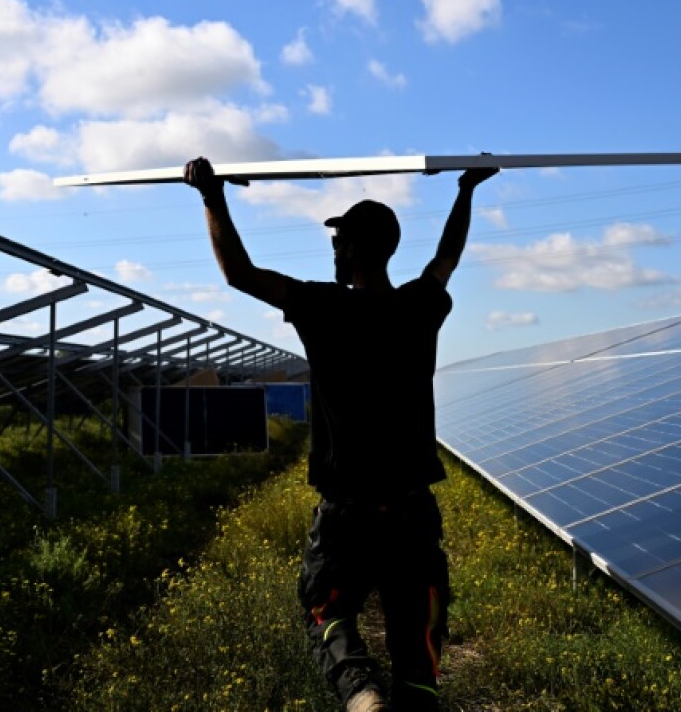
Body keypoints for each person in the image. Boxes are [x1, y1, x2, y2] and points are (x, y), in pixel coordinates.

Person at [184, 156, 497, 712]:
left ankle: (361, 693)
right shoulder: (418, 307)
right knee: (418, 641)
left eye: (339, 240)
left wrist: (213, 197)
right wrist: (465, 191)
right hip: (410, 511)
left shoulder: (321, 307)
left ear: (353, 248)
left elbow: (239, 274)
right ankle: (410, 698)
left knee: (326, 610)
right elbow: (446, 259)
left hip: (346, 512)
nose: (333, 249)